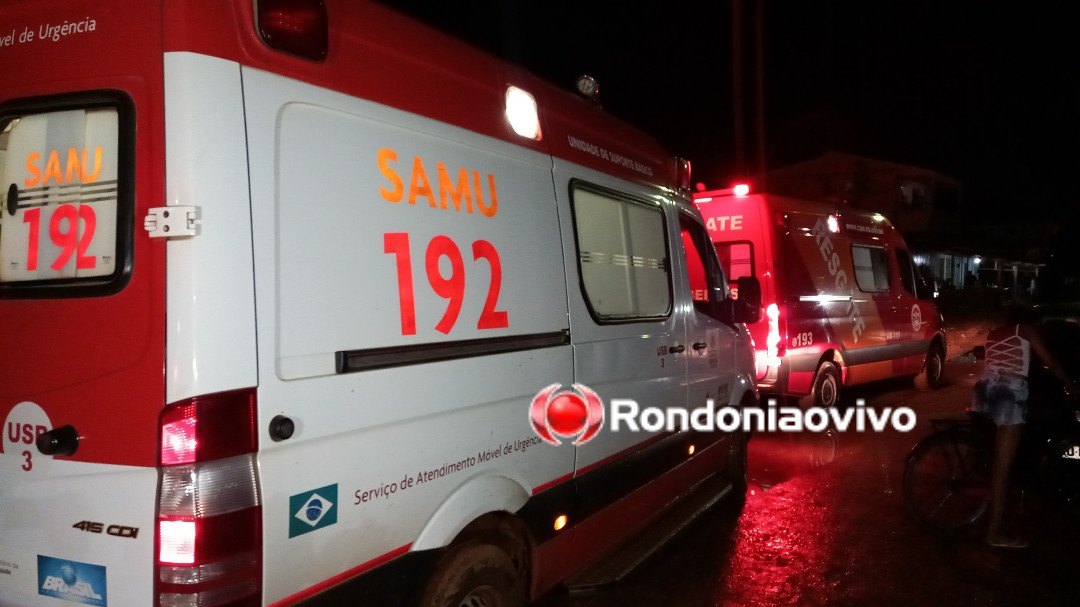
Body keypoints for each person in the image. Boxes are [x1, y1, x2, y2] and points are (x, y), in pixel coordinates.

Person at [972, 307, 1074, 548]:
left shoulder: (995, 333)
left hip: (986, 390)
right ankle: (995, 532)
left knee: (998, 453)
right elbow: (1050, 361)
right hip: (1009, 392)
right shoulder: (1026, 330)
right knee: (1002, 466)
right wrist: (1070, 384)